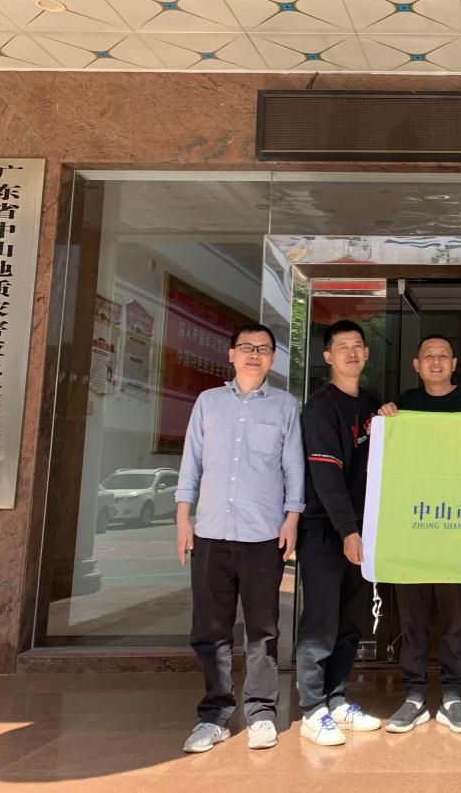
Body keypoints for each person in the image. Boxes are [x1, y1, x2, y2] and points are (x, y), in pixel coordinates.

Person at [175, 323, 303, 754]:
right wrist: (183, 518)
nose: (254, 354)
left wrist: (292, 519)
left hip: (263, 535)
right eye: (247, 347)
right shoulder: (208, 402)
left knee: (263, 630)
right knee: (210, 629)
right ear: (231, 354)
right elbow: (191, 462)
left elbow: (293, 467)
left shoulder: (285, 405)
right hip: (210, 532)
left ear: (272, 359)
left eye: (263, 349)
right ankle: (213, 717)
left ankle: (261, 712)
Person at [377, 334, 461, 734]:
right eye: (429, 356)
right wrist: (385, 419)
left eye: (444, 355)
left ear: (455, 363)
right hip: (414, 526)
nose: (437, 361)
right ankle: (413, 695)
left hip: (459, 525)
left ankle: (453, 696)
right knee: (412, 618)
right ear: (416, 364)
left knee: (456, 618)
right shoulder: (404, 405)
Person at [295, 319, 384, 746]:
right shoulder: (320, 407)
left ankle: (337, 699)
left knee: (350, 621)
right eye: (342, 346)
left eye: (357, 346)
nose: (351, 352)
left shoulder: (371, 403)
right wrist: (348, 531)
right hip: (326, 531)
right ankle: (312, 709)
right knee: (321, 621)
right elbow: (326, 477)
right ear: (328, 356)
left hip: (362, 532)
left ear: (366, 354)